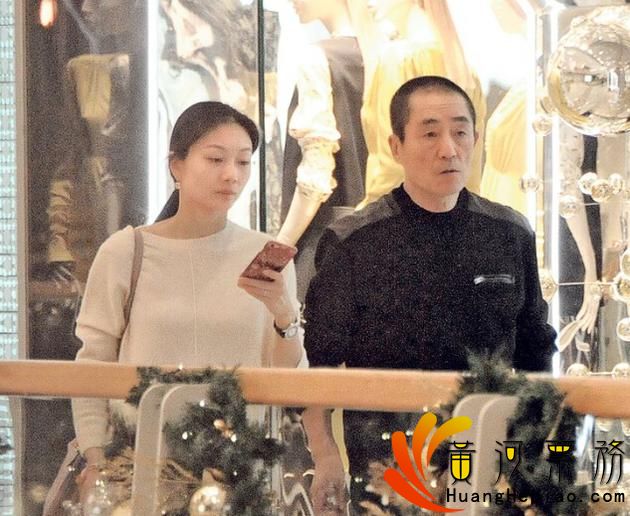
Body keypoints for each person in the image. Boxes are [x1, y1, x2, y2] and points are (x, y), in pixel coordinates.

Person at [302, 76, 556, 514]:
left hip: (491, 459)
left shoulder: (510, 233)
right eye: (430, 133)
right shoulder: (352, 241)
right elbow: (318, 365)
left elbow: (535, 349)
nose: (449, 149)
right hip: (389, 466)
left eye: (460, 132)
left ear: (476, 138)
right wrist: (324, 455)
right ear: (396, 146)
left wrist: (540, 448)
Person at [71, 101, 306, 499]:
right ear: (176, 166)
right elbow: (93, 363)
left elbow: (289, 380)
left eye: (243, 162)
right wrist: (96, 457)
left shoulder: (264, 254)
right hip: (141, 468)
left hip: (239, 472)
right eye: (215, 159)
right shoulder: (126, 252)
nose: (231, 175)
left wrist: (284, 314)